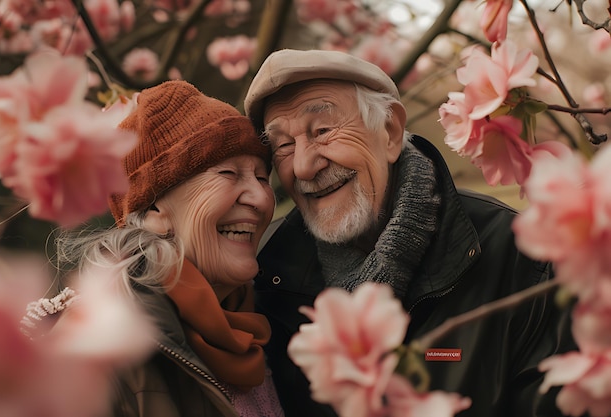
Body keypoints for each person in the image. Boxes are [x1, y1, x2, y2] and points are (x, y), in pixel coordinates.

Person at [243, 49, 576, 417]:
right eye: (283, 146)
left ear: (389, 131)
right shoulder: (262, 274)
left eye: (322, 131)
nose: (304, 167)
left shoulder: (519, 258)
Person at [44, 80, 285, 417]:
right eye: (229, 173)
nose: (261, 199)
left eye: (262, 178)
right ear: (155, 210)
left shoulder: (272, 323)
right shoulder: (99, 353)